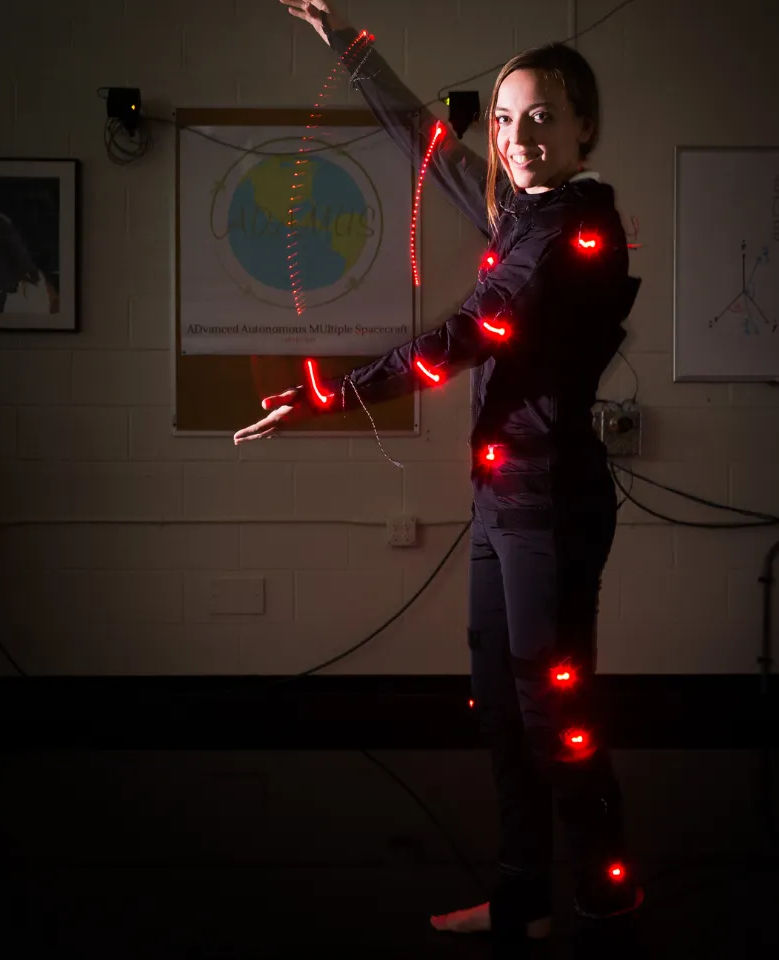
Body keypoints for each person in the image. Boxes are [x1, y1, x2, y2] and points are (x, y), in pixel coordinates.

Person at [241, 0, 645, 946]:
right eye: (504, 118)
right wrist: (350, 47)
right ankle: (520, 897)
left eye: (540, 116)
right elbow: (430, 145)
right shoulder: (520, 213)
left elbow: (469, 334)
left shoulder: (575, 234)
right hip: (503, 499)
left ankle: (607, 884)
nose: (515, 138)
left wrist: (329, 392)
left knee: (556, 713)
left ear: (584, 126)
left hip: (552, 502)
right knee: (502, 708)